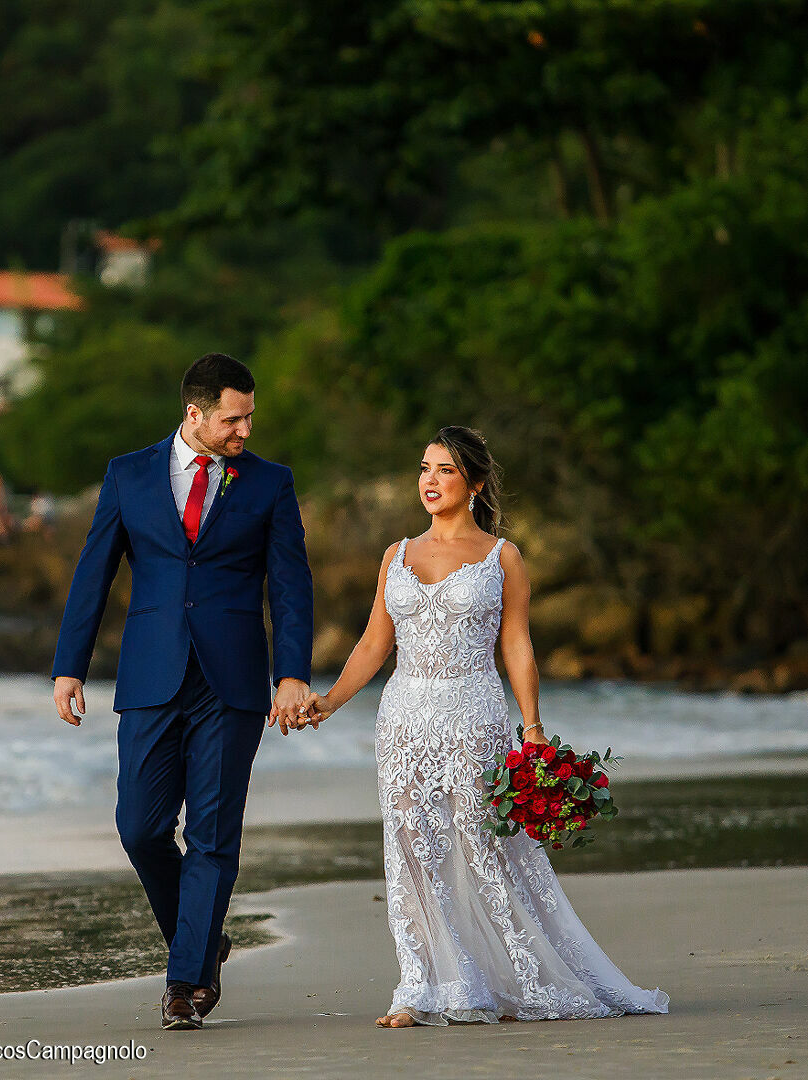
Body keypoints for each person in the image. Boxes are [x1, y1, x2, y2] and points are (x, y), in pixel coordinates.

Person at [296, 426, 668, 1027]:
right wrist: (330, 701)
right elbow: (372, 643)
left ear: (474, 482)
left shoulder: (502, 557)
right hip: (404, 719)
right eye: (423, 469)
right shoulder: (397, 555)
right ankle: (424, 986)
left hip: (475, 713)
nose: (429, 482)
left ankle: (521, 976)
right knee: (412, 847)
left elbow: (517, 645)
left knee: (485, 842)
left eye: (444, 470)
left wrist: (532, 727)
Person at [51, 353, 314, 1031]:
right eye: (233, 418)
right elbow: (93, 573)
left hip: (231, 683)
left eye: (249, 417)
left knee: (211, 836)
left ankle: (184, 983)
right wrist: (68, 665)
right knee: (137, 826)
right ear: (194, 413)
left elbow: (288, 587)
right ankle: (203, 941)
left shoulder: (270, 484)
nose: (244, 431)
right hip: (149, 675)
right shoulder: (127, 474)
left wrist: (291, 673)